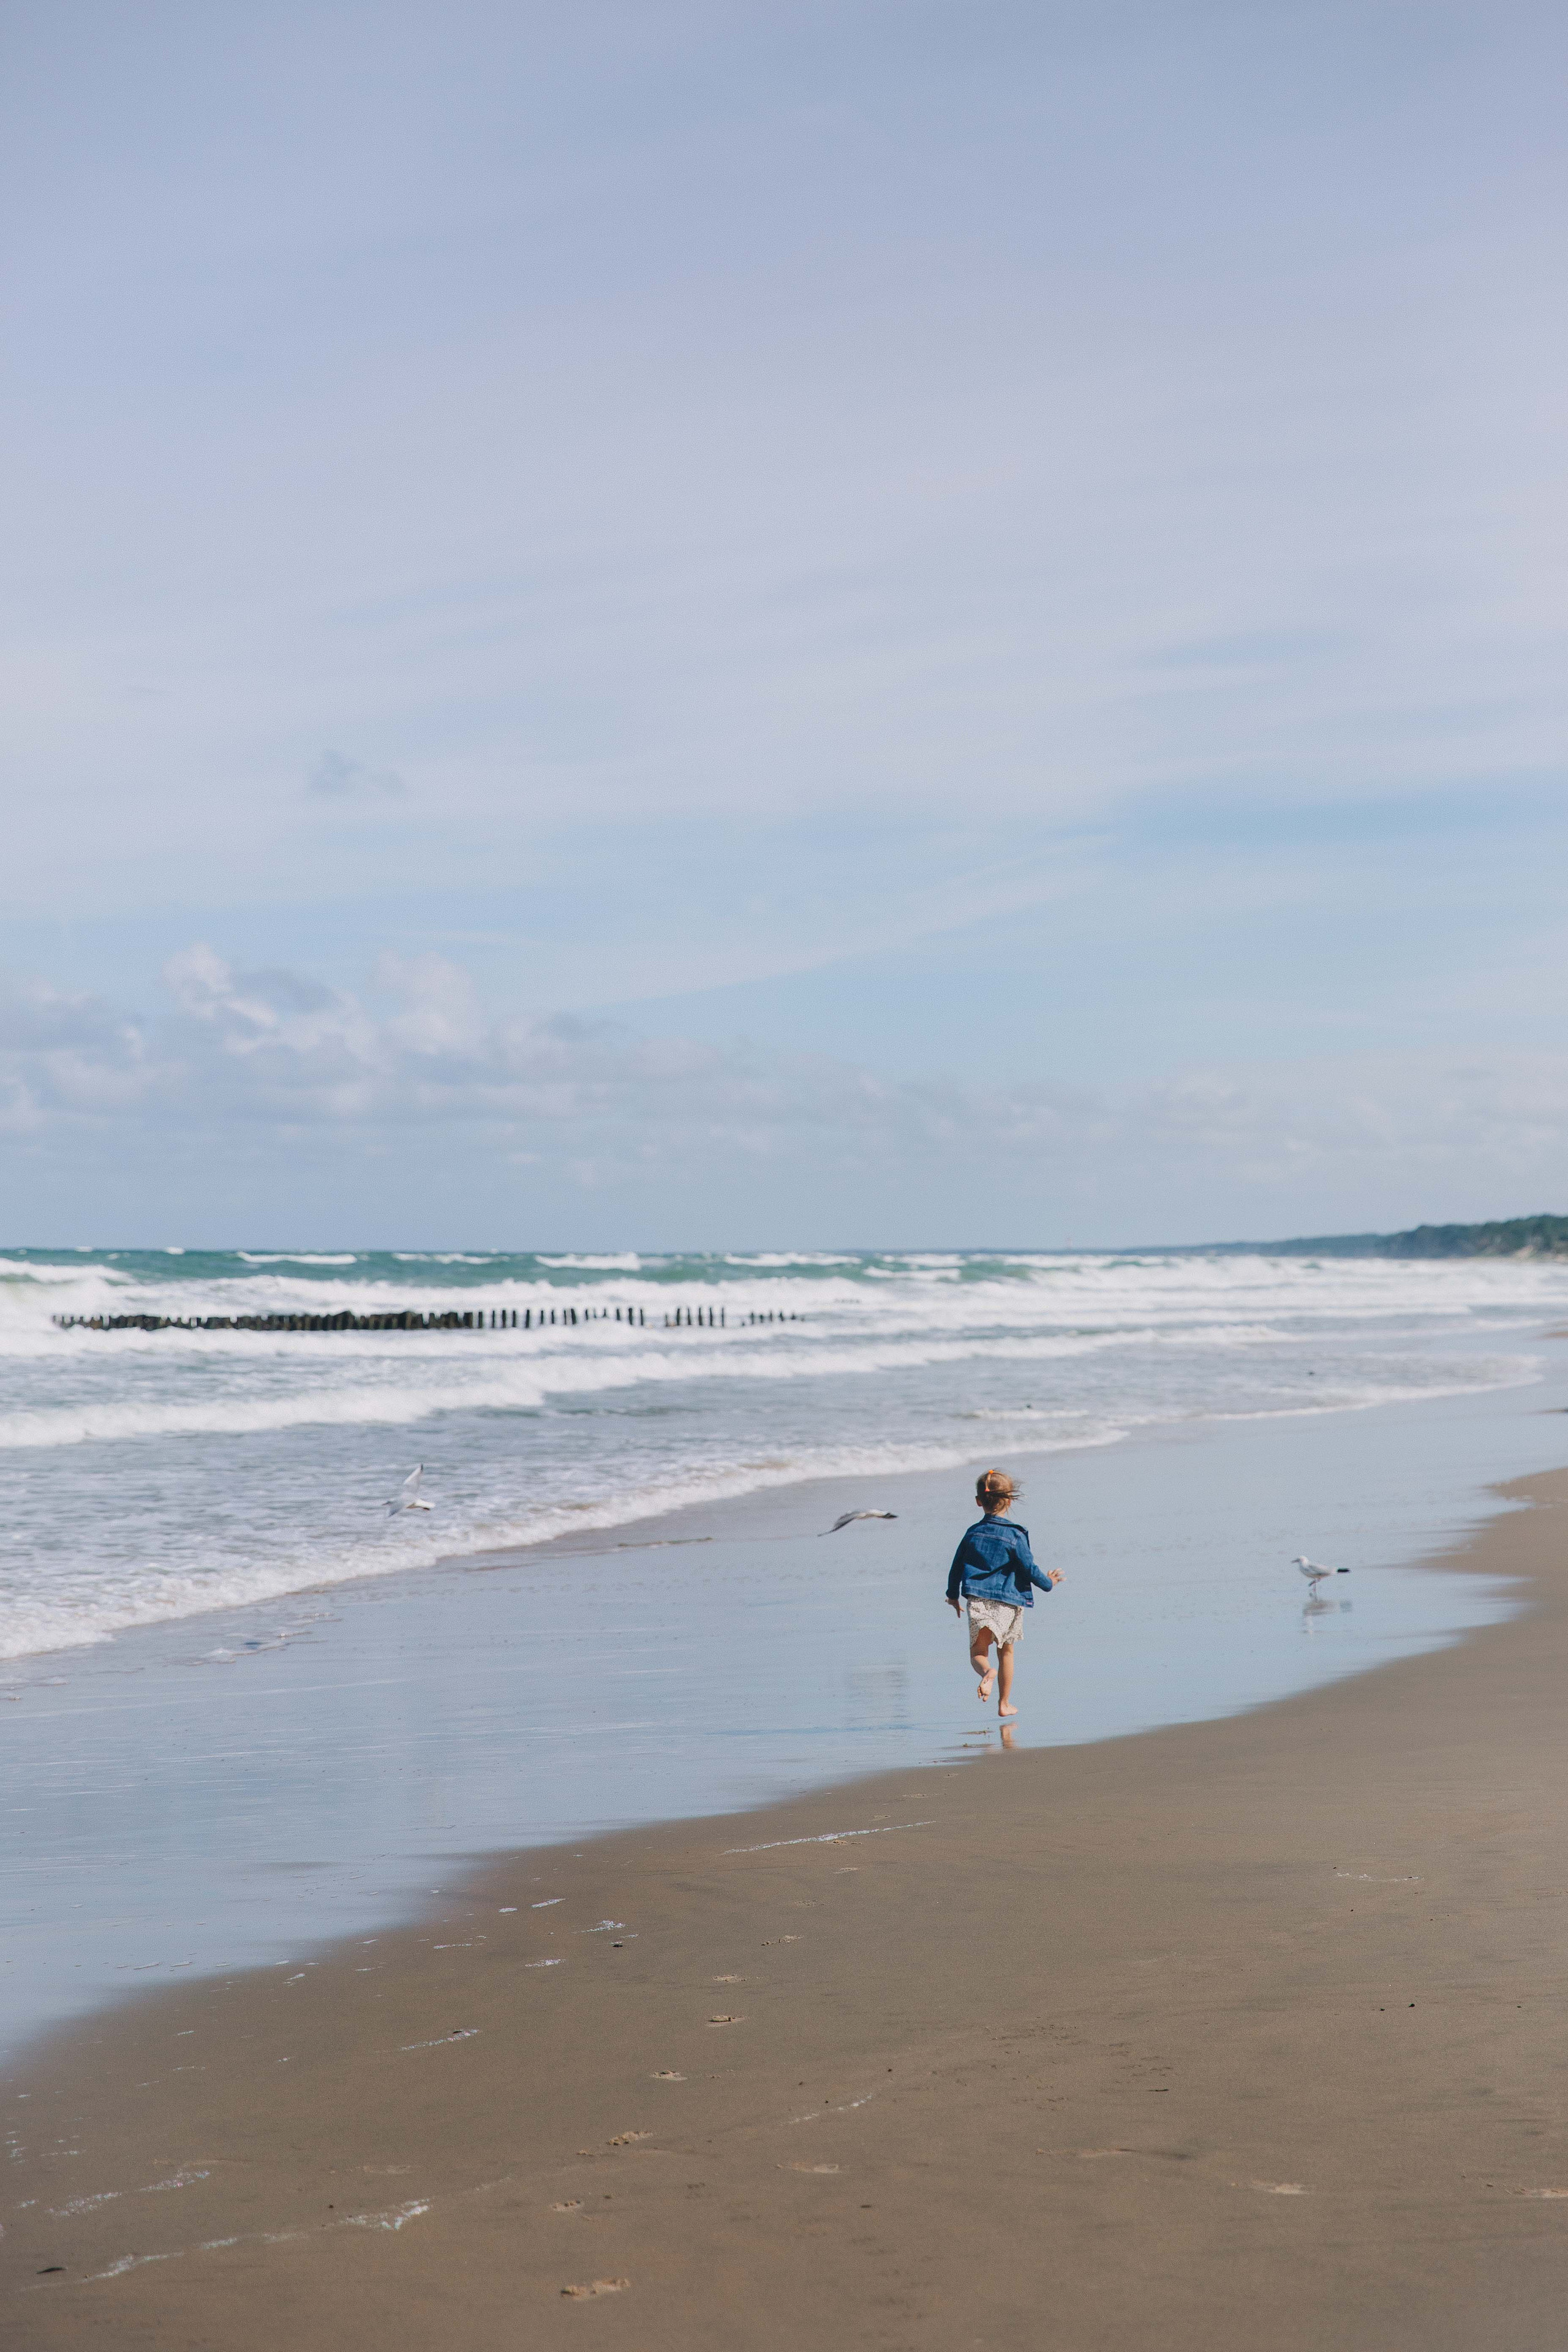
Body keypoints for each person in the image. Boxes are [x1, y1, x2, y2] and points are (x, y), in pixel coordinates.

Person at [945, 1468, 1061, 1719]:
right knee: (1006, 1651)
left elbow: (956, 1567)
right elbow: (1029, 1568)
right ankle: (1004, 1704)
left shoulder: (972, 1533)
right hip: (1008, 1602)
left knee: (979, 1652)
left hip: (978, 1601)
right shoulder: (1015, 1535)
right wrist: (1048, 1583)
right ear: (1009, 1500)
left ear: (979, 1501)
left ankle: (987, 1672)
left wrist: (953, 1595)